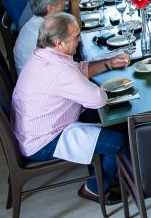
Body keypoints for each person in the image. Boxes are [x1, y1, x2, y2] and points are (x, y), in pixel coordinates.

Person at [12, 13, 129, 205]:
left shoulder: (44, 55)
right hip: (42, 142)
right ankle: (95, 189)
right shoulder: (58, 70)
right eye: (76, 36)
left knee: (109, 119)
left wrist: (107, 64)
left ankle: (104, 170)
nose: (79, 40)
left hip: (33, 130)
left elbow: (78, 70)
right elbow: (98, 99)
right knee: (117, 141)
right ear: (59, 42)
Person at [14, 0, 65, 73]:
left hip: (31, 74)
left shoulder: (34, 21)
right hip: (37, 78)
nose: (64, 5)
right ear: (50, 8)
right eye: (62, 2)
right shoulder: (45, 32)